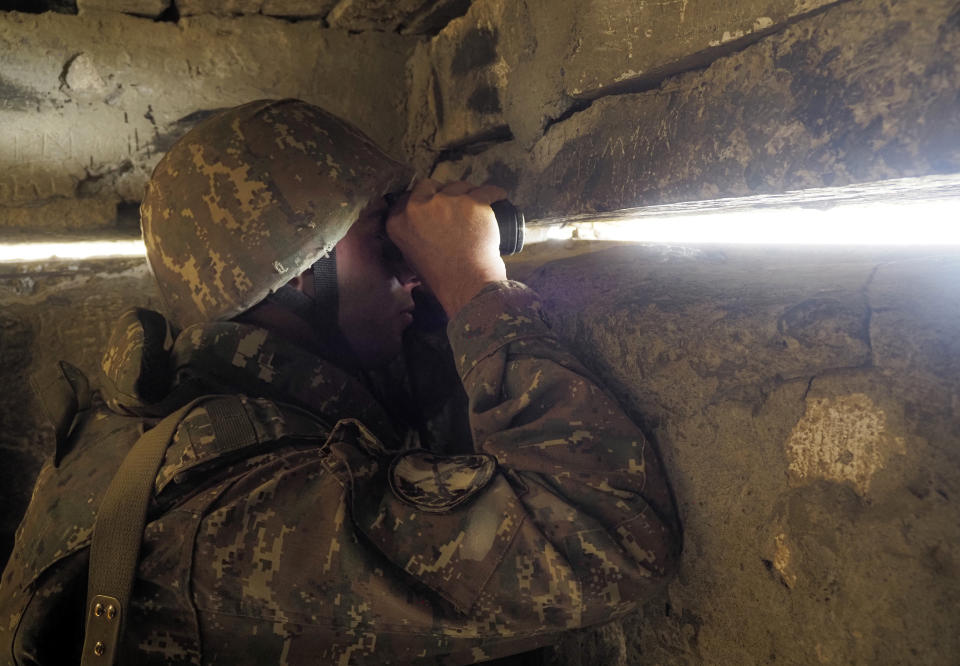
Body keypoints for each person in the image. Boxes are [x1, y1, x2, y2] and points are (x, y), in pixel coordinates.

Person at [0, 99, 681, 665]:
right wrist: (476, 291)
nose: (412, 271)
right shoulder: (244, 516)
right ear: (300, 270)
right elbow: (608, 536)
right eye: (384, 243)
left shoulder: (184, 407)